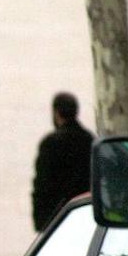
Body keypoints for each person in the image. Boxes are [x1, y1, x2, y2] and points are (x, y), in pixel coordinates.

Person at [31, 92, 95, 232]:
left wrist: (40, 223)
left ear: (56, 113)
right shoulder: (89, 140)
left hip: (56, 218)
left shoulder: (50, 143)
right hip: (86, 215)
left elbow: (42, 185)